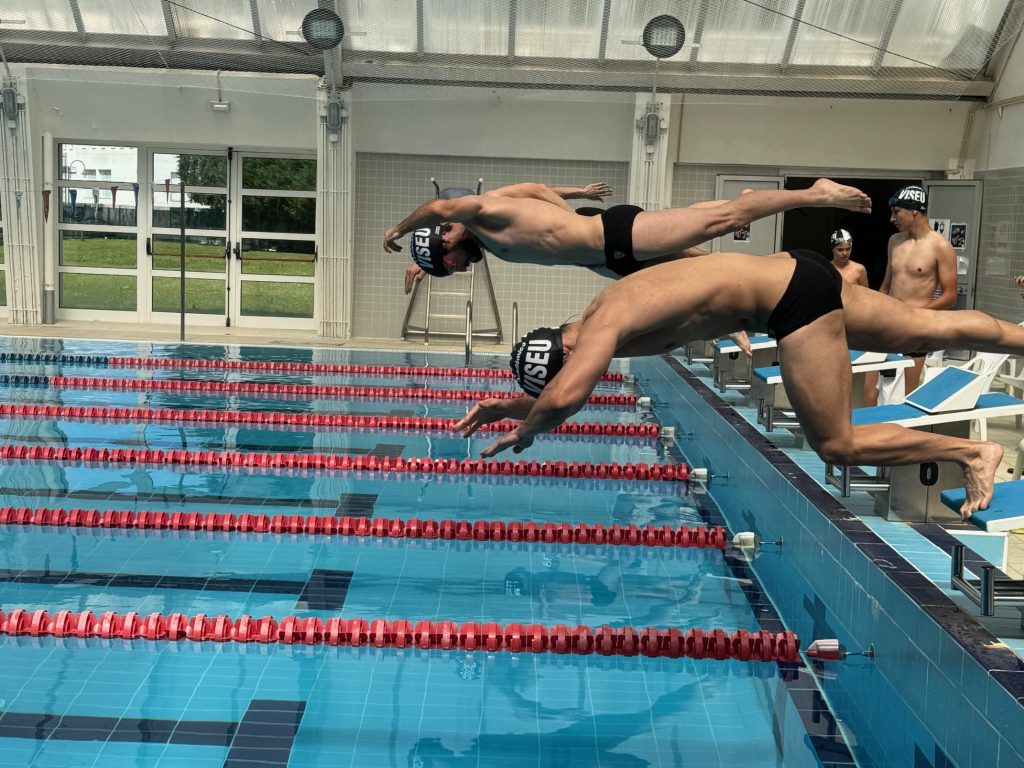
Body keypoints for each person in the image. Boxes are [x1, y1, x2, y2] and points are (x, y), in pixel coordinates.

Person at [453, 250, 1024, 518]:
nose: (578, 372)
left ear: (565, 349)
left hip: (790, 304)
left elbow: (567, 397)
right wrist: (513, 404)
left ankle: (972, 450)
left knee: (838, 445)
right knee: (925, 328)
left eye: (566, 367)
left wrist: (526, 432)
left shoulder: (602, 326)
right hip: (798, 272)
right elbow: (565, 389)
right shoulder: (597, 321)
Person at [385, 177, 871, 286]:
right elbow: (535, 190)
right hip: (611, 262)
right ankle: (787, 269)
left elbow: (437, 207)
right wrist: (421, 262)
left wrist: (400, 229)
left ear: (445, 236)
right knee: (713, 268)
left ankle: (816, 193)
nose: (459, 267)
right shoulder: (487, 240)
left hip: (614, 234)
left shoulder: (479, 213)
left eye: (450, 262)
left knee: (726, 219)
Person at [863, 185, 958, 405]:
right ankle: (867, 436)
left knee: (903, 399)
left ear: (914, 210)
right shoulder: (894, 241)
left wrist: (913, 314)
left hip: (915, 331)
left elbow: (950, 296)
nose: (891, 218)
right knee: (869, 394)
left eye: (897, 212)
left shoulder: (941, 247)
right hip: (886, 326)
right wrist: (872, 315)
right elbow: (886, 286)